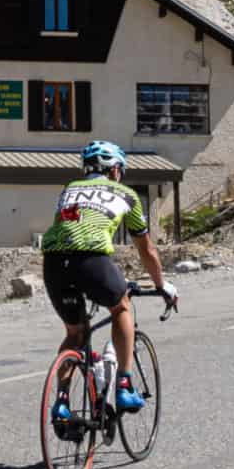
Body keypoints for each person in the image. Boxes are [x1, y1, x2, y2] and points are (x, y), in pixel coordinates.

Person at [39, 140, 177, 419]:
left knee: (75, 333)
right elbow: (146, 249)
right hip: (91, 259)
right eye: (120, 171)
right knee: (122, 307)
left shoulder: (69, 189)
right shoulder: (127, 195)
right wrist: (162, 284)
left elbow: (69, 223)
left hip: (53, 263)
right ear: (115, 170)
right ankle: (124, 385)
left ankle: (62, 403)